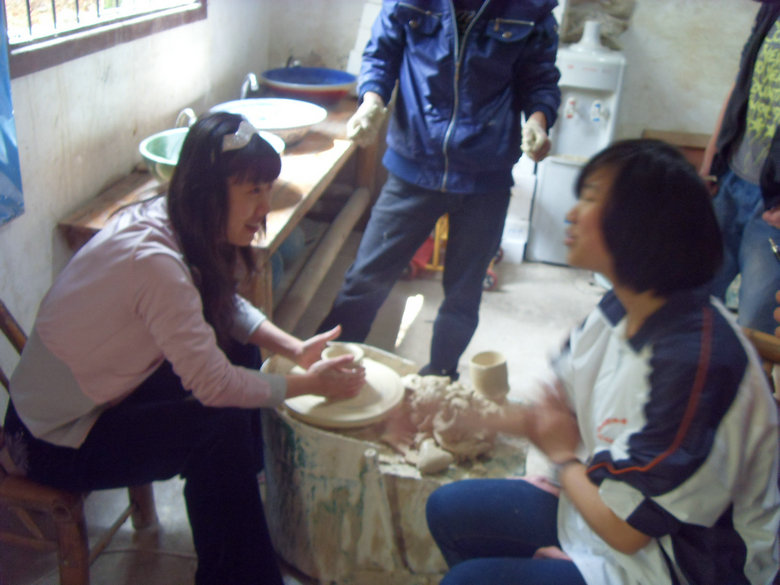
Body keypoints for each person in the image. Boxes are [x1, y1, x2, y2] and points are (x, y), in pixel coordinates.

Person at [1, 112, 365, 585]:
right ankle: (238, 568)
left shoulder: (172, 216)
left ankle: (241, 498)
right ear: (208, 192)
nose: (265, 206)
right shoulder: (154, 261)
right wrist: (308, 385)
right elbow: (212, 385)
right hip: (48, 439)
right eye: (253, 191)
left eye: (268, 189)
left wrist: (295, 348)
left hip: (95, 397)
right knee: (218, 428)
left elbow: (222, 303)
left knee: (239, 358)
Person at [426, 139, 780, 585]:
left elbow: (627, 531)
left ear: (642, 222)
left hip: (680, 566)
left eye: (591, 198)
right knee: (447, 509)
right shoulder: (620, 307)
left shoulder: (695, 362)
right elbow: (552, 417)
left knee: (468, 582)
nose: (572, 213)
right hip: (614, 514)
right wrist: (452, 415)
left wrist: (564, 461)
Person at [317, 0, 562, 379]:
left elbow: (540, 79)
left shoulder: (531, 8)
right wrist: (371, 100)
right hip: (414, 165)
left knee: (464, 295)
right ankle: (326, 370)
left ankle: (440, 379)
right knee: (364, 281)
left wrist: (538, 121)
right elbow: (381, 55)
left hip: (486, 175)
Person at [700, 0, 780, 335]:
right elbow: (741, 84)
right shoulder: (772, 9)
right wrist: (711, 161)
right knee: (695, 304)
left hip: (773, 209)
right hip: (730, 183)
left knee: (755, 330)